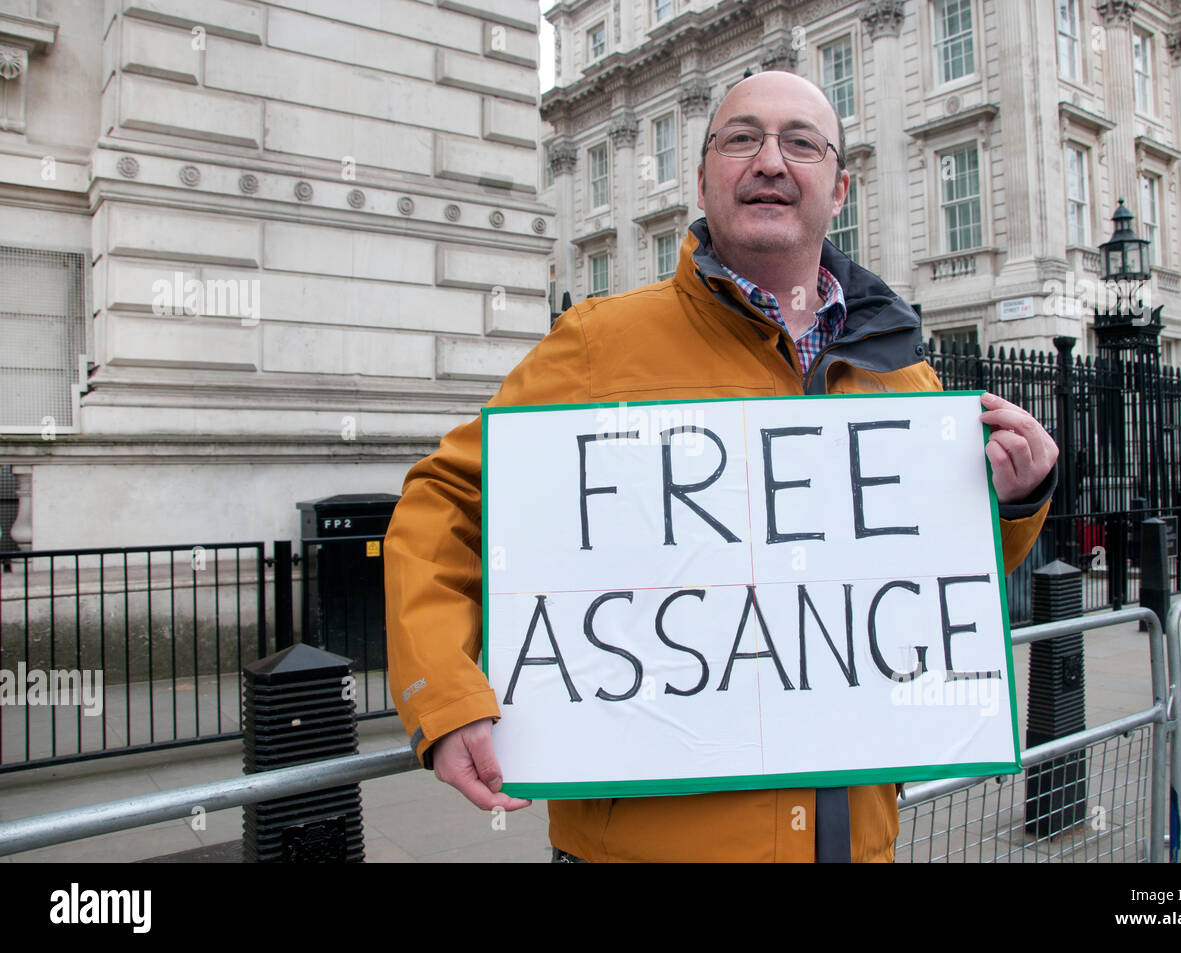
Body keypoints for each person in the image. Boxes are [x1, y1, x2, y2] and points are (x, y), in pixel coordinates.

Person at [384, 70, 1058, 862]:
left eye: (800, 143)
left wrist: (1016, 502)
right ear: (703, 179)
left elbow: (916, 578)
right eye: (741, 138)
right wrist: (444, 688)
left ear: (839, 187)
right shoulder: (599, 342)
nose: (770, 161)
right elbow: (448, 501)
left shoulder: (903, 374)